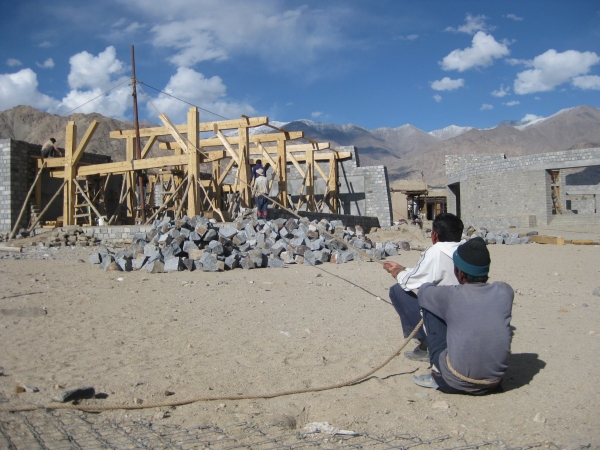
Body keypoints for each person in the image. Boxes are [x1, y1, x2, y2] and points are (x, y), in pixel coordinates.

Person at [412, 237, 514, 395]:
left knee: (430, 308)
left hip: (453, 382)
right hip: (493, 383)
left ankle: (436, 371)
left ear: (459, 273)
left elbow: (424, 292)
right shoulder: (505, 291)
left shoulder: (451, 295)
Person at [383, 213, 464, 362]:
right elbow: (427, 273)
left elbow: (408, 282)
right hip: (464, 316)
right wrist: (403, 268)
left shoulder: (435, 251)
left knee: (398, 290)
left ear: (435, 235)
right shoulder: (466, 249)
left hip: (443, 320)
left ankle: (428, 344)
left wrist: (395, 271)